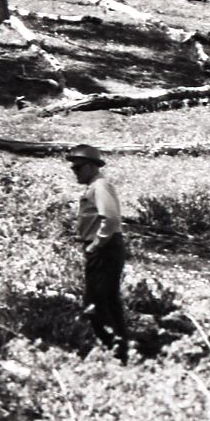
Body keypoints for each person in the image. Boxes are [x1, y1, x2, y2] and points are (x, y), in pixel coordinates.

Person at [68, 142, 130, 359]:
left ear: (91, 166)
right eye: (73, 168)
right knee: (108, 301)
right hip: (105, 247)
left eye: (78, 167)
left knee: (95, 303)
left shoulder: (100, 186)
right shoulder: (94, 186)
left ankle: (114, 351)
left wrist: (96, 243)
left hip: (105, 248)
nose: (74, 172)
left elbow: (110, 218)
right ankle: (122, 351)